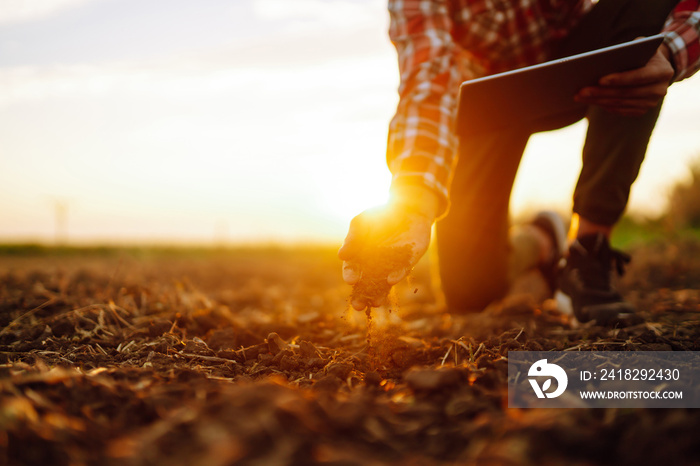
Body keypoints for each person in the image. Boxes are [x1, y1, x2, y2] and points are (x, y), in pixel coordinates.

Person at [339, 0, 700, 324]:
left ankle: (588, 254)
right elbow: (429, 84)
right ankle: (542, 240)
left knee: (639, 30)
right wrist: (413, 201)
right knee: (471, 293)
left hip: (577, 63)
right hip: (485, 106)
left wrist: (670, 53)